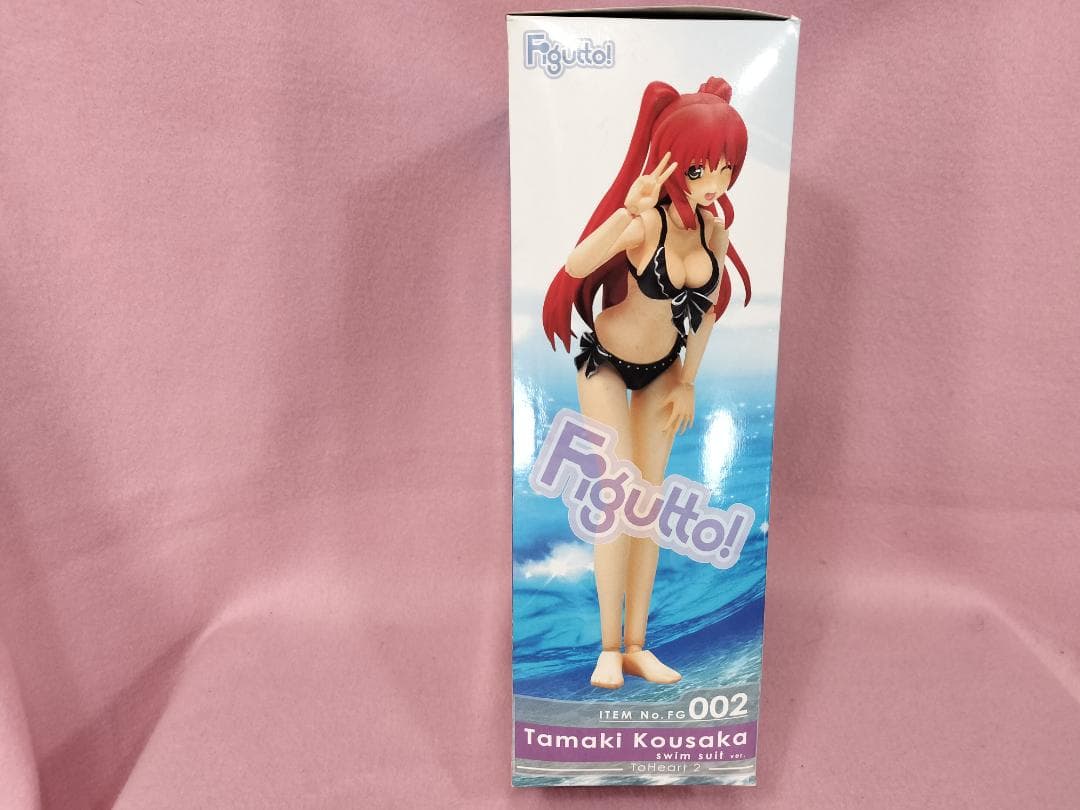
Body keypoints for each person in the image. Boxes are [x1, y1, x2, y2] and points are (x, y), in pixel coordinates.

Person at [541, 77, 751, 689]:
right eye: (700, 170)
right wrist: (627, 213)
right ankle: (608, 647)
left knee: (649, 507)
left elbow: (705, 315)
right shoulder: (645, 225)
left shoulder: (713, 232)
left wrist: (689, 382)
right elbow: (577, 264)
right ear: (673, 162)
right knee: (616, 497)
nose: (713, 184)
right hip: (606, 361)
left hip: (665, 369)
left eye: (725, 170)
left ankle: (637, 644)